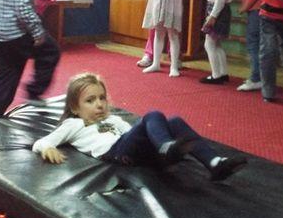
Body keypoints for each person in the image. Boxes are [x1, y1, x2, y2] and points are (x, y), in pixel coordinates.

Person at [32, 73, 247, 181]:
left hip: (136, 151)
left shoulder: (114, 119)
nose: (99, 104)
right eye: (90, 101)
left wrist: (154, 137)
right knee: (152, 115)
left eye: (102, 98)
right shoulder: (74, 123)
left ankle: (214, 163)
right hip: (116, 153)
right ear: (75, 107)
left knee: (175, 121)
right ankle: (166, 149)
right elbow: (42, 142)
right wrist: (47, 148)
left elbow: (135, 134)